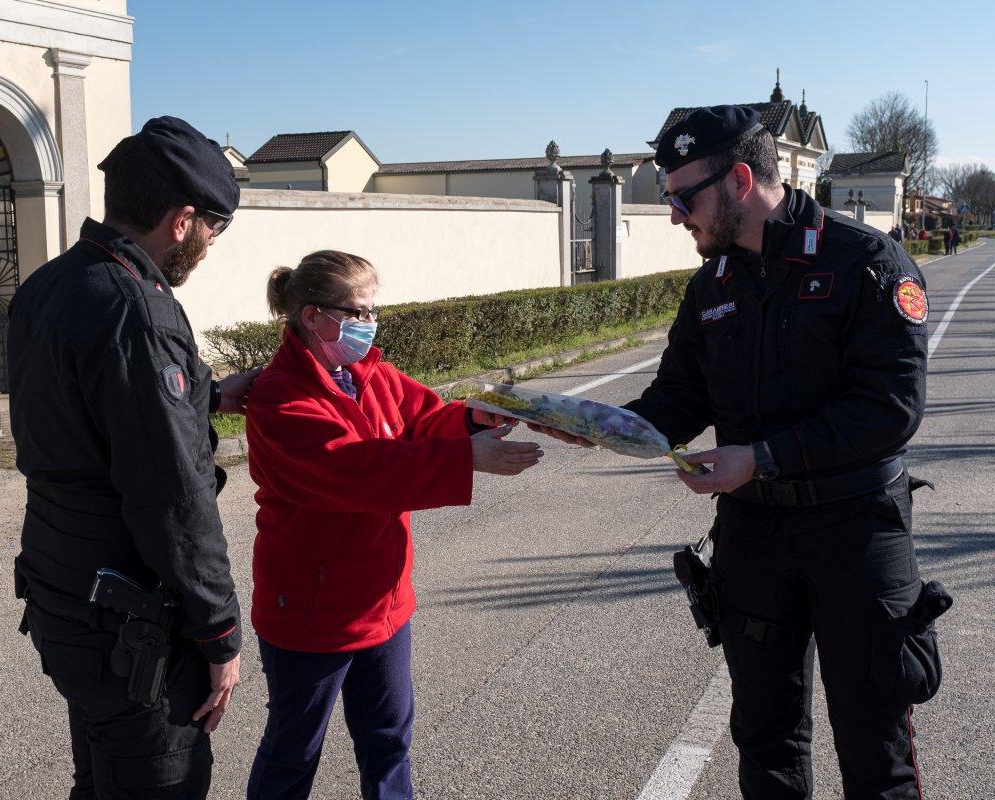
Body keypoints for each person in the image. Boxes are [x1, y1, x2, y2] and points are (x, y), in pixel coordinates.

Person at [617, 105, 947, 799]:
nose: (675, 214)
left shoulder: (866, 262)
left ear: (739, 180)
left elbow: (888, 410)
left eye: (684, 197)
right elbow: (678, 400)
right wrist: (597, 424)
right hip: (755, 539)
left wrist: (759, 457)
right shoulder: (713, 285)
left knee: (874, 746)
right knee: (764, 740)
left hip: (856, 532)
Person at [8, 117, 259, 800]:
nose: (208, 246)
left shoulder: (53, 284)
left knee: (100, 778)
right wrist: (221, 634)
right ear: (182, 220)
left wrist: (204, 393)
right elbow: (173, 498)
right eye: (213, 229)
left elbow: (88, 407)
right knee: (157, 783)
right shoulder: (137, 310)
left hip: (65, 591)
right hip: (128, 618)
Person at [243, 251, 543, 799]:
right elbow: (354, 472)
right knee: (293, 752)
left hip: (383, 601)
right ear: (312, 317)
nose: (368, 323)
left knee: (388, 741)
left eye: (373, 310)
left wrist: (474, 417)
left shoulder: (368, 373)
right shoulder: (279, 397)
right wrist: (463, 459)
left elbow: (426, 417)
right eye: (357, 311)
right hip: (311, 611)